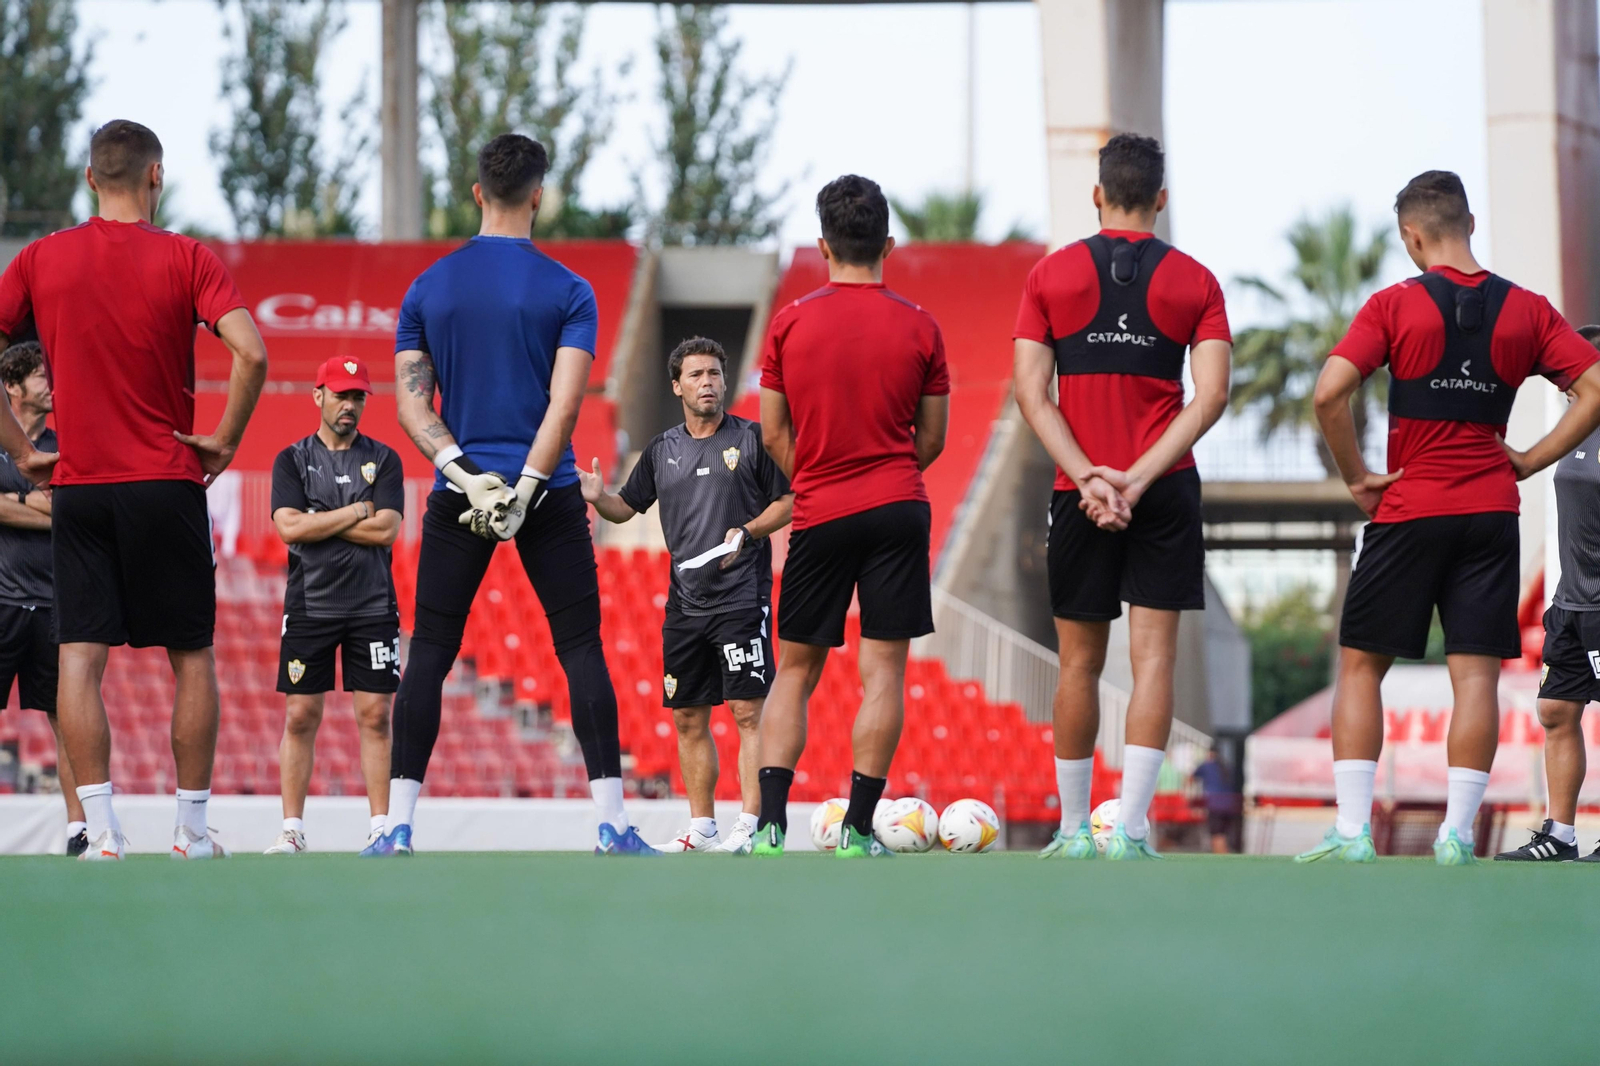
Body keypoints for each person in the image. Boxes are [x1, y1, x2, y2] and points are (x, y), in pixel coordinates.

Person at [1300, 170, 1600, 866]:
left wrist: (1355, 478)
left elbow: (1327, 395)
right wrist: (1530, 457)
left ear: (1413, 237)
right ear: (1469, 225)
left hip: (1409, 507)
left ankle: (1351, 833)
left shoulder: (1394, 304)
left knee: (1360, 669)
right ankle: (1457, 837)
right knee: (1475, 678)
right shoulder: (1526, 309)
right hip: (1490, 511)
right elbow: (1593, 388)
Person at [373, 132, 655, 856]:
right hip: (550, 494)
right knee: (580, 649)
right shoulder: (570, 289)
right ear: (539, 196)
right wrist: (527, 488)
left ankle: (396, 826)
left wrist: (468, 477)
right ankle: (613, 826)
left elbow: (411, 405)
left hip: (457, 494)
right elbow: (564, 408)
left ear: (476, 194)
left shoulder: (428, 287)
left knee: (431, 649)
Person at [0, 120, 268, 861]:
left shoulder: (41, 258)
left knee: (80, 660)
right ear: (157, 177)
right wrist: (225, 439)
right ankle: (189, 832)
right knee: (191, 657)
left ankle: (102, 833)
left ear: (91, 179)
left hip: (81, 487)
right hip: (167, 480)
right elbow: (252, 351)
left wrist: (23, 450)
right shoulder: (187, 257)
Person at [1013, 133, 1232, 861]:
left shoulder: (1051, 275)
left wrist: (1090, 478)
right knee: (1155, 663)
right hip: (1163, 491)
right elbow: (1211, 398)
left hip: (1080, 493)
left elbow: (1031, 394)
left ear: (1098, 194)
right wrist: (1138, 478)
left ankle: (1075, 831)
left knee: (1077, 664)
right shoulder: (1195, 281)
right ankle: (1131, 831)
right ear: (1161, 200)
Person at [753, 174, 949, 859]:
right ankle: (860, 831)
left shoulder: (790, 321)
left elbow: (772, 432)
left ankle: (770, 828)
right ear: (887, 244)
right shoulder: (921, 324)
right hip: (898, 504)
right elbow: (933, 439)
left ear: (822, 245)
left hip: (819, 508)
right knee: (884, 672)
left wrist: (814, 476)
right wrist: (887, 473)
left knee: (795, 670)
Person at [582, 336, 793, 854]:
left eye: (715, 375)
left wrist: (748, 532)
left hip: (742, 596)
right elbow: (624, 509)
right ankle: (702, 826)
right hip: (685, 604)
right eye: (696, 375)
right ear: (677, 385)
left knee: (747, 712)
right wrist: (597, 498)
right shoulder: (661, 450)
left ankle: (750, 824)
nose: (707, 383)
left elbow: (790, 500)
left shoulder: (752, 439)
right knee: (687, 716)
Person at [264, 357, 403, 855]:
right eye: (341, 394)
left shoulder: (384, 459)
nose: (350, 405)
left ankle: (382, 827)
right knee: (300, 715)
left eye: (359, 396)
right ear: (318, 395)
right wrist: (355, 512)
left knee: (375, 716)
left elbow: (387, 529)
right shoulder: (291, 459)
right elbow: (289, 528)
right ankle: (292, 829)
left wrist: (320, 518)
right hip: (309, 604)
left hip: (372, 604)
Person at [1497, 324, 1600, 862]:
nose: (1567, 380)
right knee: (1556, 710)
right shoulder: (1574, 429)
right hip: (1571, 603)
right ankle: (1560, 835)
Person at [0, 342, 86, 854]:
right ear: (12, 385)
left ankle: (79, 828)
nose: (51, 384)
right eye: (40, 376)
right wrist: (39, 504)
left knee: (69, 719)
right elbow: (50, 511)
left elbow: (73, 513)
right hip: (3, 600)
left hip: (57, 603)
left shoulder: (66, 445)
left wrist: (15, 503)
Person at [1190, 746, 1238, 855]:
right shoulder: (1226, 766)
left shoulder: (1207, 765)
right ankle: (1224, 855)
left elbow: (1190, 778)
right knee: (1223, 834)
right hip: (1230, 804)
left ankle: (1223, 859)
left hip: (1215, 804)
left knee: (1216, 834)